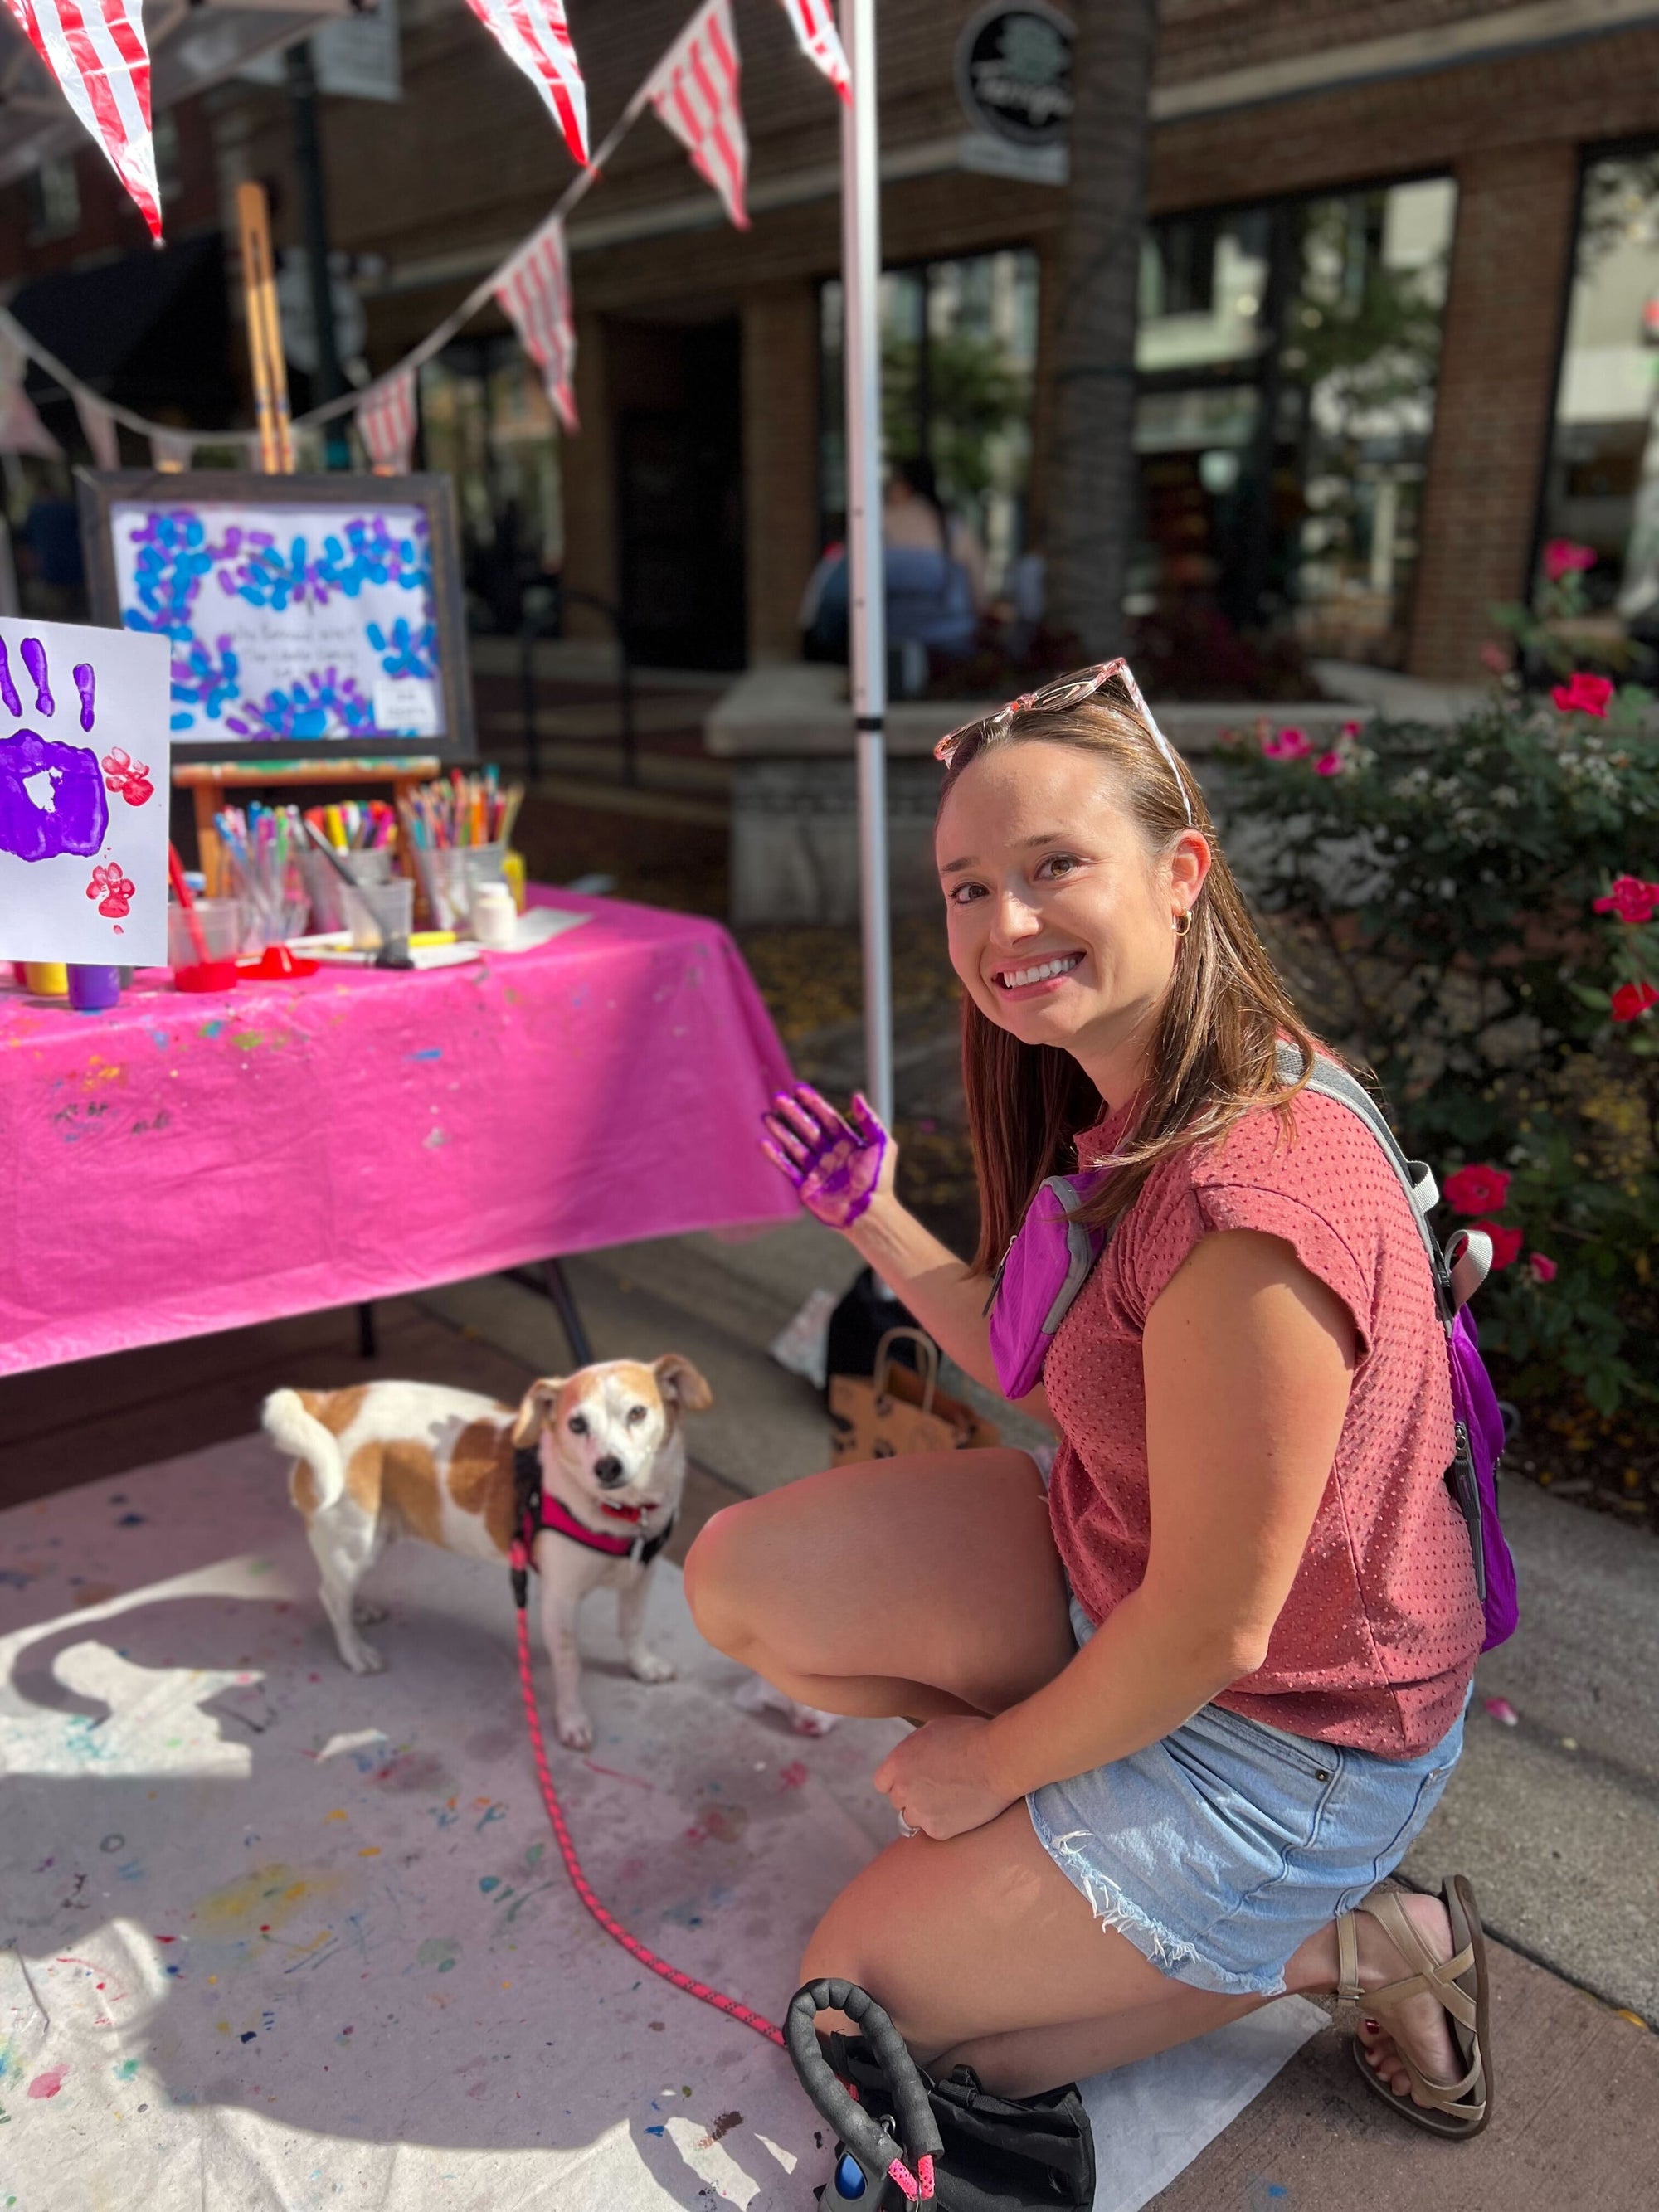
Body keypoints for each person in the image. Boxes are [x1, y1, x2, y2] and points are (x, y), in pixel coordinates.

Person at [685, 661, 1491, 2139]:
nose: (1004, 926)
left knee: (861, 2010)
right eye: (966, 887)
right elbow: (1040, 1366)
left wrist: (989, 1767)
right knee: (739, 1578)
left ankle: (1362, 1942)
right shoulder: (1135, 1095)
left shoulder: (1251, 1193)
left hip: (1289, 1743)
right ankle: (1082, 1816)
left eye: (1054, 867)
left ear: (1182, 872)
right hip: (1132, 1605)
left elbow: (1214, 1629)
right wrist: (871, 1214)